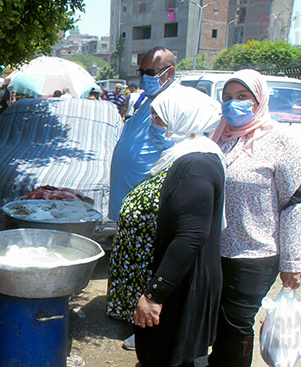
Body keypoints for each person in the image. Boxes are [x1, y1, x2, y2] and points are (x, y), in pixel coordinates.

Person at [107, 86, 224, 365]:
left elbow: (190, 236)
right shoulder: (182, 155)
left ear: (182, 119)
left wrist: (154, 295)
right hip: (170, 282)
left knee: (165, 356)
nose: (153, 124)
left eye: (159, 118)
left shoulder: (195, 164)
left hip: (178, 288)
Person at [207, 69, 301, 367]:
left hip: (254, 253)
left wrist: (291, 262)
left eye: (242, 97)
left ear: (259, 99)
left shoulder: (283, 141)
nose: (232, 104)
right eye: (227, 98)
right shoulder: (217, 135)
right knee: (214, 324)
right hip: (213, 250)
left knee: (236, 326)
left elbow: (294, 203)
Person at [109, 47, 183, 222]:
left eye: (150, 72)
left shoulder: (175, 101)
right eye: (141, 72)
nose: (143, 78)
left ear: (169, 72)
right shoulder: (148, 98)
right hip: (127, 202)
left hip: (145, 206)